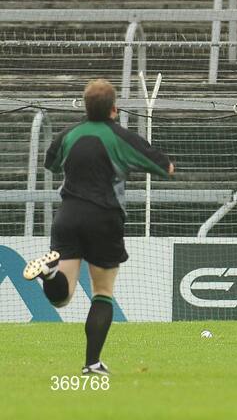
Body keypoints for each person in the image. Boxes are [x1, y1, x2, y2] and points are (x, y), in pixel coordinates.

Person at [22, 79, 174, 376]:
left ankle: (49, 272)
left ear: (86, 106)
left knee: (61, 297)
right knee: (102, 293)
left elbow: (50, 163)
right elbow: (164, 167)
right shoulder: (119, 136)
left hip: (68, 216)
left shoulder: (69, 134)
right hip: (104, 218)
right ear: (113, 109)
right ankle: (92, 364)